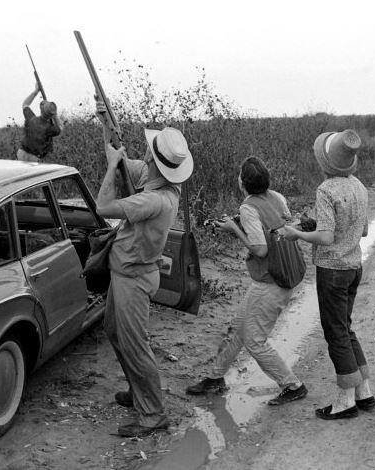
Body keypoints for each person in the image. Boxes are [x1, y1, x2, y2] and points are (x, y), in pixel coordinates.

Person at [95, 99, 193, 436]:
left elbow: (103, 205)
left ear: (153, 157)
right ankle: (139, 394)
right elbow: (122, 156)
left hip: (134, 278)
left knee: (136, 345)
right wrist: (107, 122)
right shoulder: (155, 180)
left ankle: (152, 413)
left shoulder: (154, 199)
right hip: (129, 274)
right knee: (114, 332)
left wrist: (110, 167)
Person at [186, 157, 308, 406]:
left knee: (253, 341)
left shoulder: (248, 207)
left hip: (270, 281)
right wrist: (245, 222)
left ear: (242, 182)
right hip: (283, 274)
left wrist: (235, 229)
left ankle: (292, 385)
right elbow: (281, 223)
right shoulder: (277, 196)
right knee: (239, 326)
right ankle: (215, 377)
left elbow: (260, 250)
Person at [281, 129, 375, 420]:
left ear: (325, 161)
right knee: (345, 328)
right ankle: (364, 392)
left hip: (332, 270)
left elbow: (325, 237)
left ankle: (345, 400)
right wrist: (319, 225)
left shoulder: (326, 190)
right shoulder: (358, 186)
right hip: (353, 267)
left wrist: (295, 232)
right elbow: (363, 230)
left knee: (335, 333)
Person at [17, 83, 62, 162]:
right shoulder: (50, 128)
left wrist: (36, 91)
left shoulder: (31, 118)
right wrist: (55, 115)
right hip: (34, 159)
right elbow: (60, 127)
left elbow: (25, 104)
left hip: (21, 153)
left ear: (41, 110)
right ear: (51, 115)